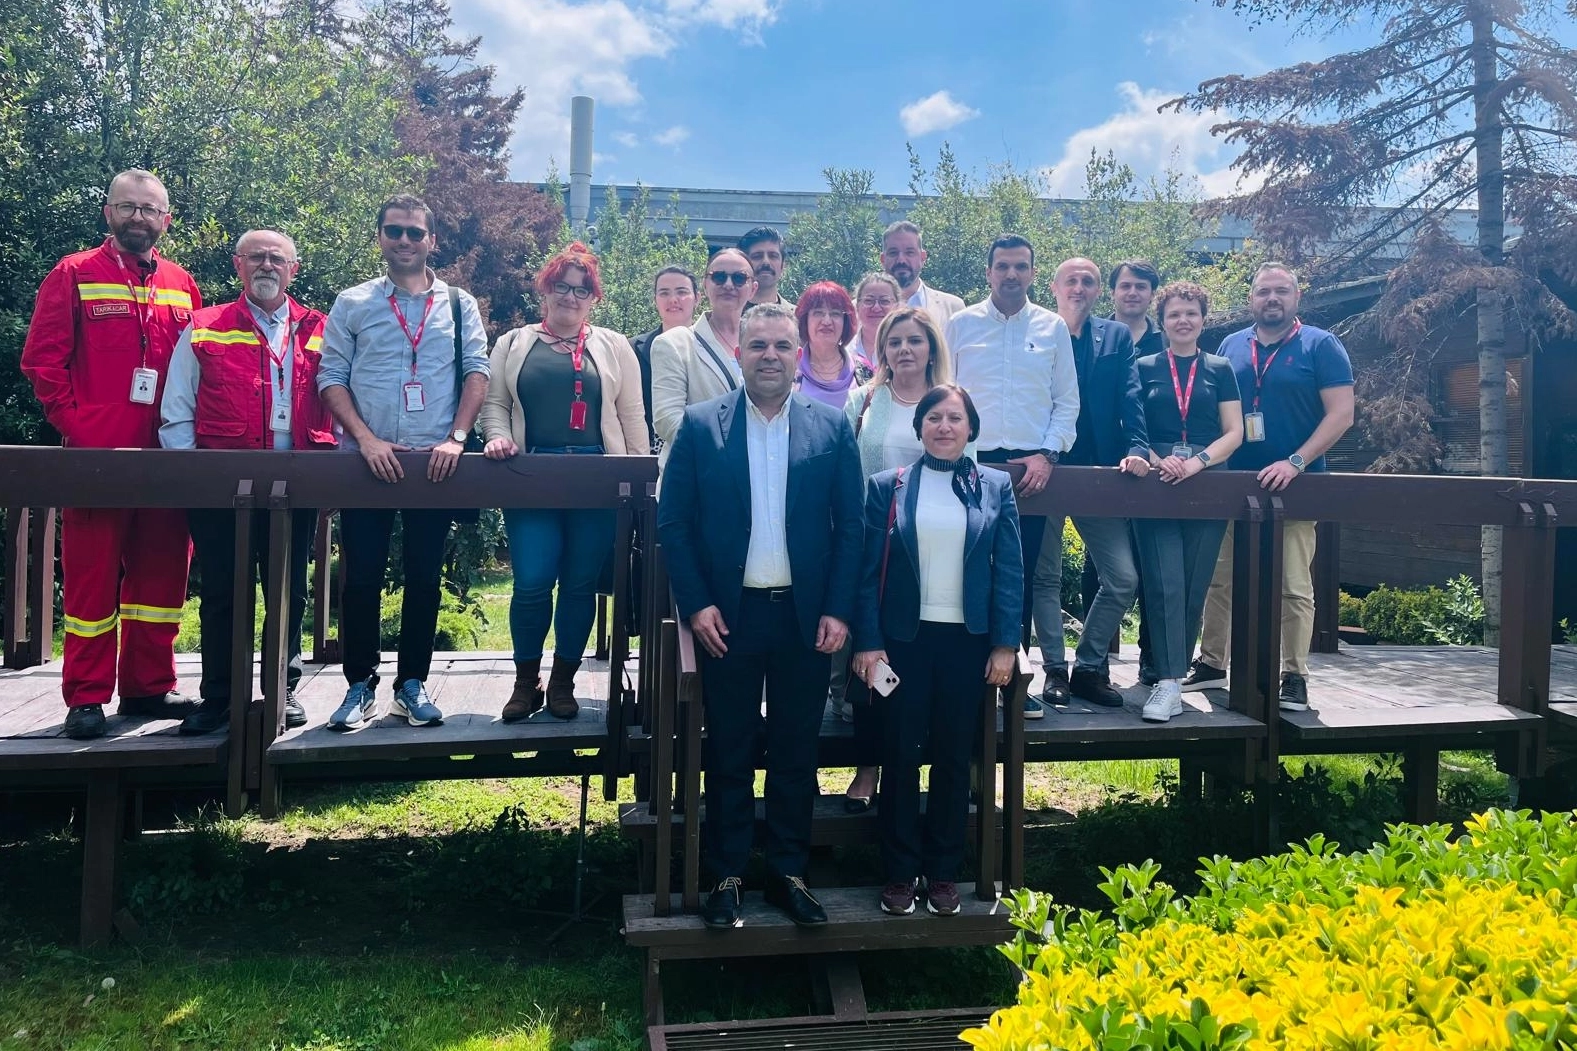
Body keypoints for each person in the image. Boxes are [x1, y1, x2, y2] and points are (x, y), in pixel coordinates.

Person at [657, 303, 864, 929]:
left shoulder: (831, 427)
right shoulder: (701, 426)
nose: (769, 356)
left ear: (798, 354)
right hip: (730, 618)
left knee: (797, 751)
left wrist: (838, 608)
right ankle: (725, 875)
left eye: (780, 345)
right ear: (738, 353)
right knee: (729, 749)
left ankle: (788, 872)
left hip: (805, 618)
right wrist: (696, 604)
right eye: (758, 346)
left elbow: (852, 527)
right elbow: (674, 523)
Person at [21, 168, 201, 740]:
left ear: (166, 220)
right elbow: (42, 362)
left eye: (149, 209)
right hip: (97, 459)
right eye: (128, 207)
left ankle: (148, 686)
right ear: (108, 213)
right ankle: (87, 696)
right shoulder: (73, 273)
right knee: (91, 581)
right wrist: (79, 427)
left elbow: (198, 367)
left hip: (166, 457)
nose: (138, 218)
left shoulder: (181, 282)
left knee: (162, 577)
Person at [316, 192, 489, 731]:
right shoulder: (353, 302)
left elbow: (477, 373)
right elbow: (330, 377)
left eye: (415, 232)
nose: (405, 240)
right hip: (368, 460)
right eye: (395, 231)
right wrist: (365, 440)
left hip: (434, 463)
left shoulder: (459, 304)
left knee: (424, 576)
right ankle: (359, 685)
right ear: (380, 238)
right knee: (360, 577)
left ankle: (411, 684)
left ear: (432, 240)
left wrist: (457, 439)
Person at [851, 384, 1021, 916]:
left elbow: (1010, 569)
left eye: (955, 418)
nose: (944, 427)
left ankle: (944, 872)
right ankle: (900, 873)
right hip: (903, 643)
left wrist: (1006, 644)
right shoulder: (888, 486)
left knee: (952, 758)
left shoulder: (995, 486)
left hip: (967, 644)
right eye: (934, 418)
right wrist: (869, 642)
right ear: (919, 427)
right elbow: (865, 573)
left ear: (971, 429)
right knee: (900, 756)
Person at [158, 229, 334, 735]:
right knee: (222, 591)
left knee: (289, 592)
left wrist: (334, 477)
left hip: (296, 483)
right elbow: (177, 408)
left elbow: (341, 402)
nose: (266, 265)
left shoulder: (321, 329)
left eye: (277, 258)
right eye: (256, 257)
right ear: (238, 265)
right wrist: (195, 476)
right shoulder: (204, 326)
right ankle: (220, 697)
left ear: (293, 269)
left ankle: (283, 689)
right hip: (222, 484)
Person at [480, 242, 650, 721]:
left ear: (593, 298)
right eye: (562, 286)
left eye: (582, 290)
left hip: (597, 477)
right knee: (532, 581)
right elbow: (495, 404)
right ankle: (525, 681)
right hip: (531, 474)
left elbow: (631, 414)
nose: (571, 297)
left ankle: (562, 682)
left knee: (579, 585)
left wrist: (640, 474)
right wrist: (496, 436)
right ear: (545, 290)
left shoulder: (615, 346)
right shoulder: (514, 343)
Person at [1187, 263, 1355, 710]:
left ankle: (1294, 676)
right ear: (1252, 299)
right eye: (1264, 292)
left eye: (1281, 291)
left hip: (1298, 483)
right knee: (1219, 579)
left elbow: (1341, 414)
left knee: (1293, 585)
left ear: (1297, 297)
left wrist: (1296, 462)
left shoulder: (1321, 345)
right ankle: (1212, 663)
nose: (1272, 299)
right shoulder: (1231, 345)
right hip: (1233, 483)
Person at [945, 234, 1079, 720]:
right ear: (988, 272)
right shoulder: (960, 325)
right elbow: (945, 395)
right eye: (1002, 266)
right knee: (963, 570)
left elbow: (1067, 402)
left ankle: (1013, 685)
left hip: (1030, 473)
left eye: (1021, 266)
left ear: (1033, 273)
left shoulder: (1052, 327)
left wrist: (1047, 455)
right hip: (969, 465)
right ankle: (964, 679)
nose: (1011, 274)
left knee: (1015, 577)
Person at [836, 307, 959, 811]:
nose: (905, 349)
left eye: (915, 340)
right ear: (882, 349)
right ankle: (868, 768)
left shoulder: (949, 401)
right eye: (895, 341)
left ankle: (921, 771)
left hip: (935, 549)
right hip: (875, 548)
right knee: (872, 657)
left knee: (923, 665)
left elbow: (970, 470)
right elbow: (844, 470)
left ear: (931, 347)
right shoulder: (863, 401)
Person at [1032, 258, 1150, 709]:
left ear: (1099, 290)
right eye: (1071, 280)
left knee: (1122, 577)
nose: (1079, 287)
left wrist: (1138, 447)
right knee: (1044, 576)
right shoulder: (1037, 331)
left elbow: (1131, 395)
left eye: (1088, 281)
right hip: (1044, 468)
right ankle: (1054, 670)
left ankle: (1087, 666)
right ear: (1054, 287)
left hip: (1099, 470)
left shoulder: (1115, 336)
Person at [1127, 282, 1243, 722]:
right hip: (1156, 482)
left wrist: (1195, 464)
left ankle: (1173, 682)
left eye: (1191, 313)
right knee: (1163, 583)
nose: (1183, 320)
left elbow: (1235, 431)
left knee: (1195, 584)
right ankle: (1166, 680)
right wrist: (1160, 462)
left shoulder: (1221, 368)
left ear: (1203, 320)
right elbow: (1132, 425)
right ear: (1162, 321)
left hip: (1207, 482)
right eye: (1175, 314)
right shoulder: (1143, 366)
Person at [650, 249, 754, 470]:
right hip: (697, 472)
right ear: (706, 285)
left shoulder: (765, 343)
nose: (728, 284)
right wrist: (727, 449)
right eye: (719, 277)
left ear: (753, 288)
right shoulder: (674, 343)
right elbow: (667, 419)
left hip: (753, 472)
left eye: (739, 278)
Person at [629, 266, 697, 451]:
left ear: (697, 298)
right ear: (655, 300)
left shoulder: (710, 348)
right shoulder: (632, 349)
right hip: (645, 451)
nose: (673, 299)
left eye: (682, 292)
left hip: (699, 449)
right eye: (664, 293)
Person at [793, 281, 867, 409]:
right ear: (805, 320)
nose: (827, 321)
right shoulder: (789, 369)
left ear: (845, 322)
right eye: (818, 313)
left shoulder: (865, 372)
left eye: (835, 313)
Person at [881, 220, 965, 331]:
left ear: (923, 257)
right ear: (883, 259)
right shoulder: (863, 311)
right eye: (893, 253)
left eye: (909, 252)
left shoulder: (953, 308)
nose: (901, 260)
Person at [846, 271, 901, 369]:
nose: (876, 308)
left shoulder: (906, 351)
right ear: (857, 306)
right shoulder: (844, 350)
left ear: (897, 307)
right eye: (868, 301)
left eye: (884, 301)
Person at [1110, 259, 1165, 356]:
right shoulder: (1094, 336)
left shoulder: (1166, 340)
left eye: (1141, 287)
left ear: (1152, 294)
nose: (1132, 293)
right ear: (1113, 293)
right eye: (1125, 286)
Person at [738, 226, 793, 310]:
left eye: (773, 256)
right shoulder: (724, 315)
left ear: (783, 266)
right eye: (757, 256)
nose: (766, 262)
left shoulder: (797, 316)